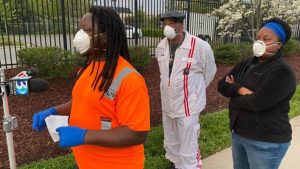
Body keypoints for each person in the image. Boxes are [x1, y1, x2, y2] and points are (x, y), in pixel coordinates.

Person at [32, 6, 150, 169]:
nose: (79, 36)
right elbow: (83, 100)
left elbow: (136, 134)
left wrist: (84, 135)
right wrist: (54, 111)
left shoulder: (130, 79)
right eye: (80, 29)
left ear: (106, 37)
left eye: (86, 30)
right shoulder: (90, 66)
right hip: (86, 162)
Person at [218, 17, 296, 169]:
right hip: (239, 134)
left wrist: (233, 93)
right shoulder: (246, 63)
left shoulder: (282, 72)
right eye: (258, 38)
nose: (259, 42)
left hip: (266, 142)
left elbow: (257, 103)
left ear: (278, 45)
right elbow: (222, 85)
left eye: (266, 39)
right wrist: (241, 89)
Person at [155, 10, 217, 169]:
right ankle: (176, 164)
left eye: (171, 23)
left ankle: (190, 166)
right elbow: (165, 75)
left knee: (188, 144)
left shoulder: (200, 46)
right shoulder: (161, 46)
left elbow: (209, 71)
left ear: (180, 26)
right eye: (165, 24)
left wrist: (195, 92)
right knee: (171, 140)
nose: (167, 27)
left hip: (189, 105)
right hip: (168, 105)